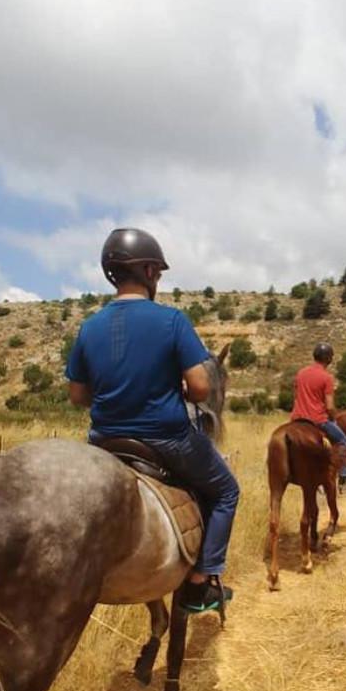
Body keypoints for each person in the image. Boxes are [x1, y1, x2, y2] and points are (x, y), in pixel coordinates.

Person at [65, 227, 240, 615]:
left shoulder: (89, 327)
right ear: (145, 270)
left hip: (104, 443)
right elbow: (198, 388)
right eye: (157, 271)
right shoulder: (172, 321)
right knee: (227, 491)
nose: (158, 278)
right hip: (166, 439)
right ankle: (201, 581)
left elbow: (77, 396)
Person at [290, 343, 346, 490]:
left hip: (297, 419)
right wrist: (334, 417)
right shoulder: (326, 377)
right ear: (328, 358)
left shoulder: (300, 373)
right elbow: (330, 407)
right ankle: (344, 478)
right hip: (317, 420)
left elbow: (295, 397)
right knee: (344, 442)